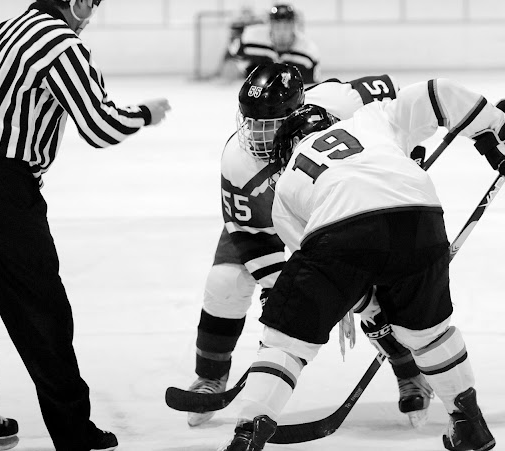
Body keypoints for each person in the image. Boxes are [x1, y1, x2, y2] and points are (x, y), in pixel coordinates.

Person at [219, 80, 505, 451]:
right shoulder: (369, 119)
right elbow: (435, 92)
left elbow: (325, 267)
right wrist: (494, 127)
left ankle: (248, 433)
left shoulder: (288, 182)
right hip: (420, 218)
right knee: (430, 334)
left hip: (339, 231)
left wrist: (370, 307)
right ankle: (469, 424)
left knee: (287, 341)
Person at [0, 1, 170, 450]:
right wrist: (144, 112)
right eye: (93, 4)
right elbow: (100, 127)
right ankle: (73, 431)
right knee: (42, 312)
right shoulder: (62, 43)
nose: (91, 15)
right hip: (0, 189)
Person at [186, 63, 433, 429]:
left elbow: (393, 95)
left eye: (267, 125)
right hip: (268, 216)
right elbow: (251, 236)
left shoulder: (339, 102)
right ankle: (210, 376)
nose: (255, 136)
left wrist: (406, 151)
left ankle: (409, 372)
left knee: (366, 295)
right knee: (226, 281)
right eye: (250, 122)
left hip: (332, 206)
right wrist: (277, 287)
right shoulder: (238, 160)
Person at [221, 4, 320, 83]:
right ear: (270, 25)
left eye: (286, 27)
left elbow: (311, 84)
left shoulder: (308, 52)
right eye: (277, 27)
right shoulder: (250, 38)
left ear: (294, 26)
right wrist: (231, 67)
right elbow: (230, 58)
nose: (282, 32)